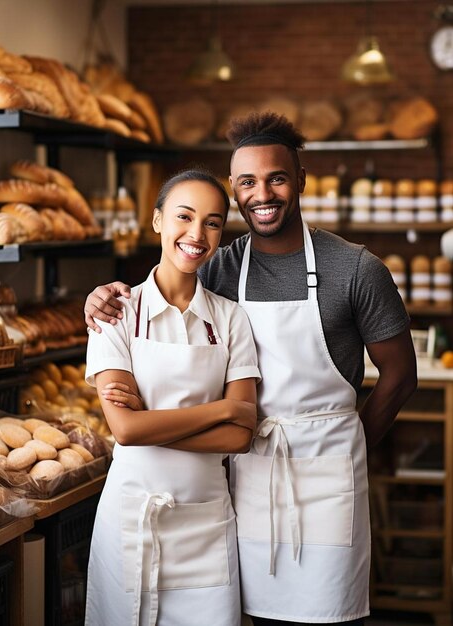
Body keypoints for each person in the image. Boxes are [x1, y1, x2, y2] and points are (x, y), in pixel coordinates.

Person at [84, 112, 417, 626]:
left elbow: (400, 375)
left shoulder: (356, 269)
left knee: (331, 615)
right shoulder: (222, 265)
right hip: (245, 477)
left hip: (327, 473)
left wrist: (349, 446)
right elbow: (172, 273)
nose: (263, 193)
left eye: (277, 178)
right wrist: (101, 297)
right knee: (251, 616)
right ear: (235, 192)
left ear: (300, 180)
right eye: (247, 182)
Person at [84, 168, 260, 626]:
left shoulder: (230, 320)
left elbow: (241, 438)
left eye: (213, 222)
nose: (196, 234)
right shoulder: (114, 314)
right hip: (131, 517)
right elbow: (124, 429)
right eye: (184, 216)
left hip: (206, 523)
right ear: (157, 220)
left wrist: (151, 424)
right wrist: (222, 409)